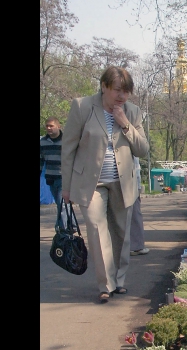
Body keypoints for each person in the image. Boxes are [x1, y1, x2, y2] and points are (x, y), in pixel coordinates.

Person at [61, 66, 150, 302]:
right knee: (97, 229)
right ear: (104, 87)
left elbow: (142, 149)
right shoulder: (82, 106)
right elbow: (68, 148)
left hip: (123, 183)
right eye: (117, 90)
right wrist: (66, 185)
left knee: (121, 233)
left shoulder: (133, 112)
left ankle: (119, 280)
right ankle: (105, 284)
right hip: (91, 183)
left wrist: (125, 124)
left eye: (126, 92)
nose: (122, 96)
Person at [40, 117, 64, 231]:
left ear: (58, 126)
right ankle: (69, 225)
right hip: (50, 178)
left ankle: (62, 229)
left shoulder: (67, 140)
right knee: (61, 205)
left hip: (64, 177)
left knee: (61, 203)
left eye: (51, 126)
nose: (49, 128)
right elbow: (41, 159)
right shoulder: (43, 142)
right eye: (47, 126)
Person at [130, 157, 150, 256]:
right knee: (135, 216)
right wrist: (138, 187)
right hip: (130, 185)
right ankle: (137, 246)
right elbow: (136, 168)